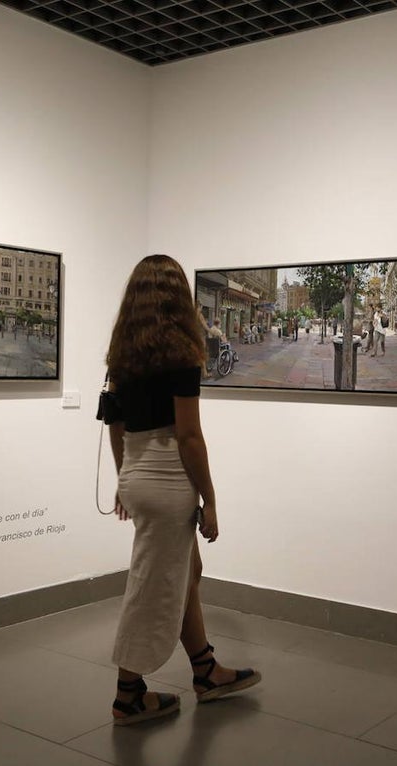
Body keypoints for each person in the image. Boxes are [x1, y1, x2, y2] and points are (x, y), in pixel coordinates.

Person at [101, 255, 260, 726]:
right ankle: (128, 693)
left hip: (137, 472)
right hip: (170, 480)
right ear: (178, 299)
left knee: (188, 568)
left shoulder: (123, 354)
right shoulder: (181, 353)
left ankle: (205, 669)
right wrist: (209, 497)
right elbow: (189, 436)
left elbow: (115, 424)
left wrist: (125, 481)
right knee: (151, 585)